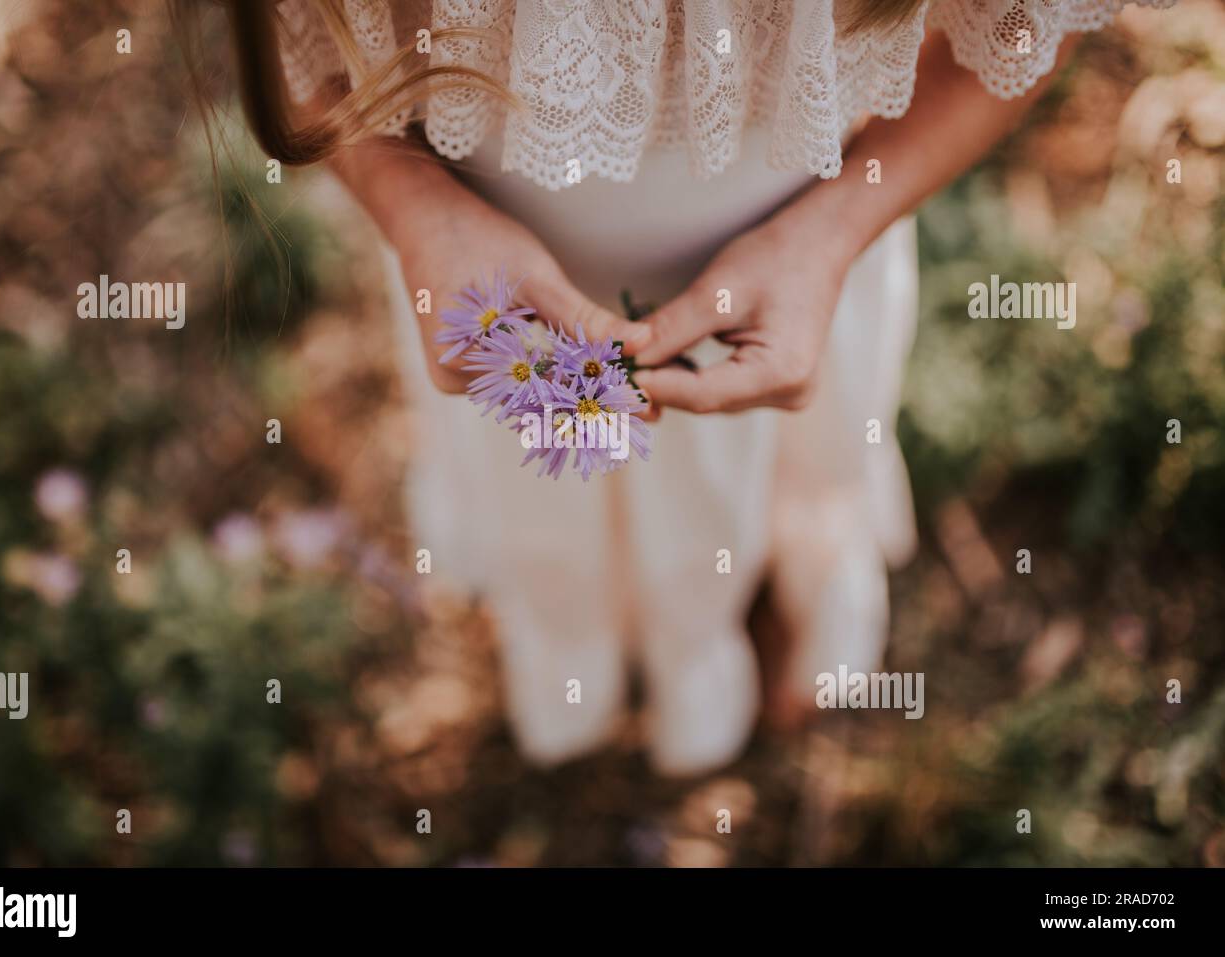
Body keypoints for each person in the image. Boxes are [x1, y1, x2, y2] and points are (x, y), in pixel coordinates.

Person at [202, 0, 1173, 774]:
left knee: (791, 467)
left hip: (793, 270)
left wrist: (832, 231)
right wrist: (416, 209)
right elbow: (299, 49)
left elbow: (1019, 31)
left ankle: (786, 584)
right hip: (506, 319)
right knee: (550, 517)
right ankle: (586, 653)